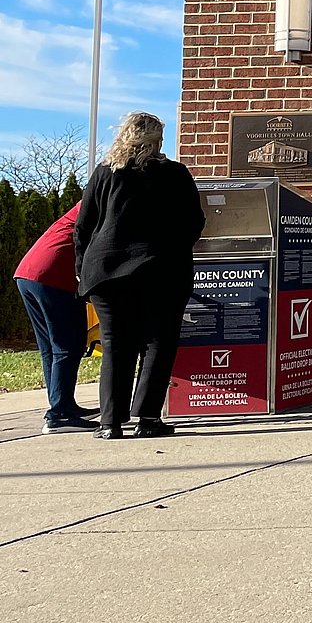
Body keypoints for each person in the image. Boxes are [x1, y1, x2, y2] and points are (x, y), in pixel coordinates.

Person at [74, 112, 205, 440]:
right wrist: (175, 249)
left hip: (107, 271)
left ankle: (110, 424)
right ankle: (147, 419)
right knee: (158, 343)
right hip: (162, 269)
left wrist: (82, 269)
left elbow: (84, 225)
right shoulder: (174, 174)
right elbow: (194, 222)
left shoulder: (105, 172)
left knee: (116, 345)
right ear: (158, 139)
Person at [13, 203, 100, 433]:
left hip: (29, 273)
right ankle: (60, 414)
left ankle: (63, 406)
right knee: (67, 344)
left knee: (51, 348)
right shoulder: (105, 200)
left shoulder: (90, 200)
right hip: (54, 275)